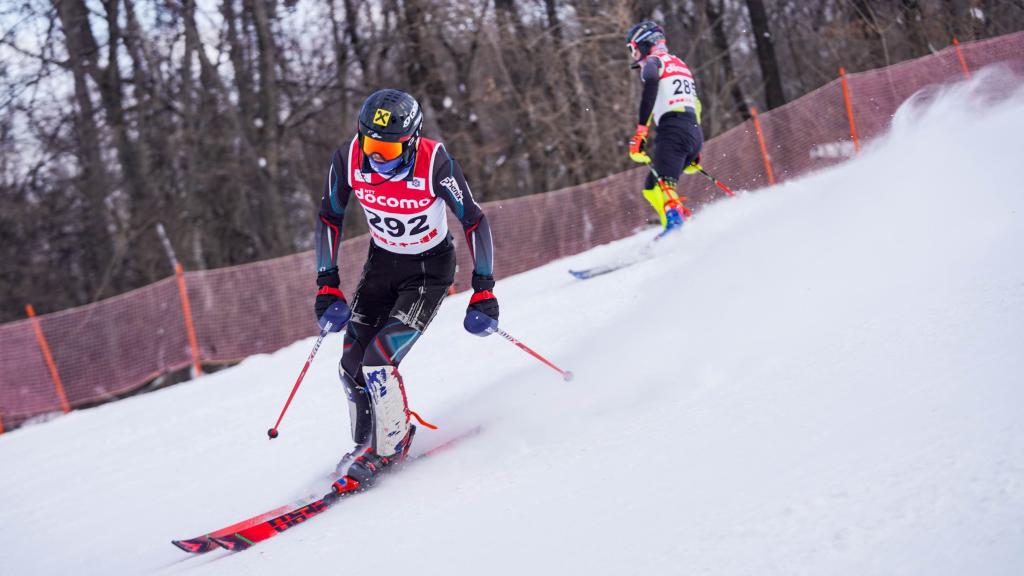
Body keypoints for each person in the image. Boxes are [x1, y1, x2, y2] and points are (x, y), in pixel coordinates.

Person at [313, 88, 499, 491]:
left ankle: (390, 448)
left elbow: (474, 220)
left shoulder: (435, 161)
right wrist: (326, 285)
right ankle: (366, 443)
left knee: (379, 361)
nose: (377, 158)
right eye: (371, 145)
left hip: (428, 271)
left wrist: (483, 290)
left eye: (389, 148)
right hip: (383, 264)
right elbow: (329, 215)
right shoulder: (348, 159)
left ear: (412, 140)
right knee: (350, 365)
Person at [625, 20, 705, 233]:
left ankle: (675, 227)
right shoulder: (680, 64)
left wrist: (641, 131)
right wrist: (694, 145)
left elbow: (651, 84)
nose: (634, 57)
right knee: (651, 187)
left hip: (673, 130)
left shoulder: (653, 62)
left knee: (664, 185)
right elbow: (695, 104)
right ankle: (672, 226)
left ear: (643, 44)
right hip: (692, 129)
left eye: (633, 50)